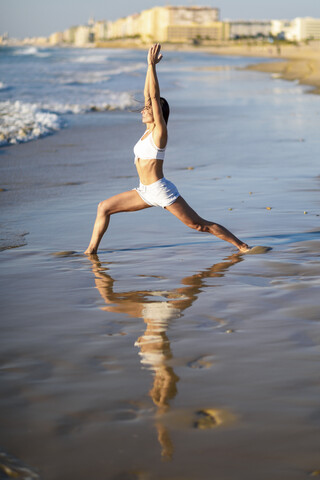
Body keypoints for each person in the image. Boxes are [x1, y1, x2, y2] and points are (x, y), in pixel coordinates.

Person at [85, 43, 250, 255]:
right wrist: (147, 66)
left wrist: (153, 67)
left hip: (161, 191)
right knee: (103, 207)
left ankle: (242, 246)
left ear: (158, 113)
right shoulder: (147, 130)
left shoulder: (159, 133)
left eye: (148, 109)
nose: (143, 111)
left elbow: (154, 97)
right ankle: (90, 251)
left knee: (199, 225)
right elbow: (148, 95)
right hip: (143, 191)